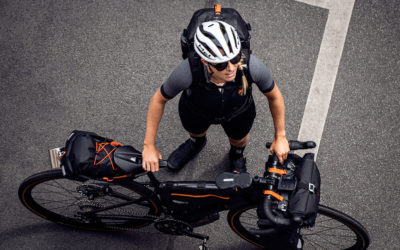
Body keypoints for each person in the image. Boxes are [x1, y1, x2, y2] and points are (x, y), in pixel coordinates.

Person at [142, 20, 289, 173]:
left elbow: (274, 96)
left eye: (234, 58)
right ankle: (196, 143)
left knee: (238, 139)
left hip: (238, 111)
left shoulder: (252, 66)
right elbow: (159, 99)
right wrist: (149, 146)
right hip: (196, 110)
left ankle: (236, 156)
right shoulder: (187, 71)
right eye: (221, 64)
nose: (231, 68)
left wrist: (280, 136)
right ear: (205, 61)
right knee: (196, 131)